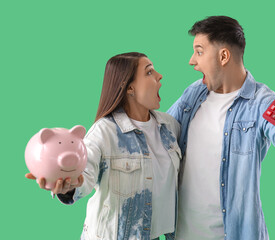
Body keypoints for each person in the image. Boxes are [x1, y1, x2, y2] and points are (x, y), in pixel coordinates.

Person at [167, 16, 275, 240]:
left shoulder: (262, 102)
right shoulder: (193, 94)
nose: (191, 61)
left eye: (199, 51)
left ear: (224, 56)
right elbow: (161, 132)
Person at [26, 52, 180, 240]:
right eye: (149, 72)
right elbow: (85, 176)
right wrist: (69, 186)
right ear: (130, 88)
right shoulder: (104, 132)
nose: (159, 75)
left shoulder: (169, 126)